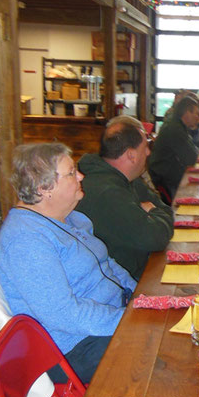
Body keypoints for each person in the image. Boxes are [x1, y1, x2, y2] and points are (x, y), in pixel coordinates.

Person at [0, 143, 136, 383]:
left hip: (108, 318)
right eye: (71, 173)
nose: (81, 176)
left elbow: (106, 263)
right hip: (71, 347)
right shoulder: (26, 242)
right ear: (44, 188)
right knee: (162, 355)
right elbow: (65, 316)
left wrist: (139, 295)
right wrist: (128, 320)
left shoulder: (69, 218)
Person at [77, 116, 174, 280]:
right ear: (131, 155)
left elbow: (167, 213)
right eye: (145, 146)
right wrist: (153, 211)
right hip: (124, 286)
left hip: (141, 269)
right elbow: (156, 237)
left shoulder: (128, 179)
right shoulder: (108, 193)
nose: (149, 152)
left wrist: (154, 212)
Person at [148, 95, 199, 200]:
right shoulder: (175, 129)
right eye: (197, 114)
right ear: (187, 113)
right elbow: (192, 158)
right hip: (165, 179)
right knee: (197, 191)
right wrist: (195, 132)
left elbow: (193, 151)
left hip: (167, 173)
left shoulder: (177, 124)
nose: (198, 118)